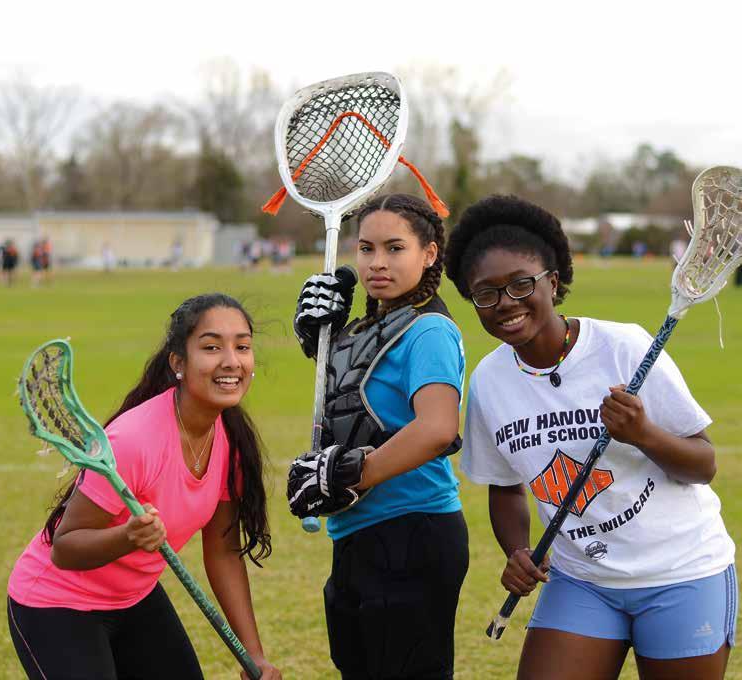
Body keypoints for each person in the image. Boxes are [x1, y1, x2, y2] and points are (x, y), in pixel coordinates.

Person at [444, 194, 736, 680]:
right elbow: (504, 486)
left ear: (553, 282)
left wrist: (643, 434)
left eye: (522, 284)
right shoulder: (490, 382)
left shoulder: (624, 348)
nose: (507, 304)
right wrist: (516, 549)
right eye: (486, 293)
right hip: (583, 582)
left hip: (681, 573)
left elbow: (703, 465)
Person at [7, 294, 281, 680]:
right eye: (211, 347)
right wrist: (128, 537)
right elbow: (65, 549)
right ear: (178, 363)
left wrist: (254, 655)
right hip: (57, 604)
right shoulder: (134, 441)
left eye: (243, 346)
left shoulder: (230, 438)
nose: (231, 361)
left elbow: (222, 551)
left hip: (133, 598)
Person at [287, 193, 469, 679]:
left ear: (429, 253)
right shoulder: (373, 323)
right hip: (357, 536)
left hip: (412, 531)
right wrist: (322, 342)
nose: (377, 263)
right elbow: (358, 400)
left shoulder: (429, 330)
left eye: (395, 248)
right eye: (366, 249)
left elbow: (437, 428)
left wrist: (355, 473)